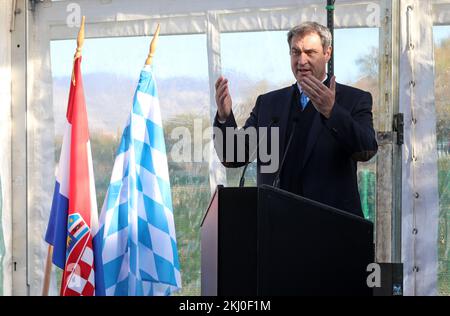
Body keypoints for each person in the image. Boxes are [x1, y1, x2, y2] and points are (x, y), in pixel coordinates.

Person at [213, 22, 378, 218]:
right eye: (295, 52)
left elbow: (366, 149)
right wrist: (224, 118)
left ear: (327, 53)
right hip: (276, 226)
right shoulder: (269, 103)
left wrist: (332, 111)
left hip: (331, 229)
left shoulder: (353, 99)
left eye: (310, 52)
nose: (302, 60)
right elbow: (235, 156)